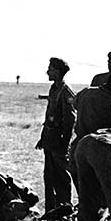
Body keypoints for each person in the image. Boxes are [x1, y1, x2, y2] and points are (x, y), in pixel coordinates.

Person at [35, 58, 76, 213]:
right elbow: (49, 116)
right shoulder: (54, 89)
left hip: (59, 143)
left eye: (50, 69)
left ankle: (64, 210)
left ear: (58, 71)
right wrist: (43, 137)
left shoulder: (66, 91)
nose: (48, 71)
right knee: (49, 178)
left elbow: (70, 119)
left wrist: (65, 143)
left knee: (62, 179)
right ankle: (51, 212)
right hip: (50, 141)